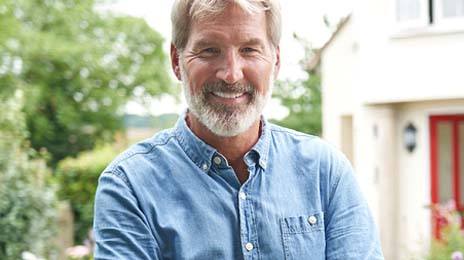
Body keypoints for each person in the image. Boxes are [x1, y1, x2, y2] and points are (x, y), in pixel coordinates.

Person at [93, 0, 384, 259]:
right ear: (176, 61)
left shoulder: (325, 172)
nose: (231, 74)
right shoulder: (130, 185)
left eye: (249, 49)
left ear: (276, 61)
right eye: (209, 50)